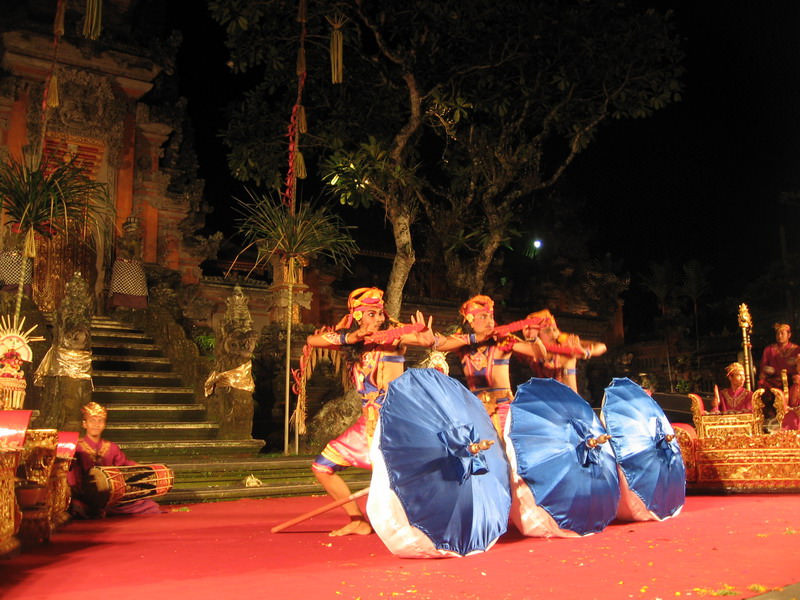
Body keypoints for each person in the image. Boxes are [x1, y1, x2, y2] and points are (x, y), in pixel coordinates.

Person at [308, 287, 433, 536]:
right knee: (322, 467)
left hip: (395, 419)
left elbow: (422, 341)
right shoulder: (354, 341)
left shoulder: (394, 336)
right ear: (358, 317)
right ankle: (357, 519)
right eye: (371, 314)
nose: (378, 319)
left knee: (400, 473)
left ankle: (422, 520)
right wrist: (353, 337)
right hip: (368, 420)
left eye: (379, 314)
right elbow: (313, 341)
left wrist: (425, 337)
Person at [434, 295, 547, 434]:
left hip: (503, 410)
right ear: (471, 322)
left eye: (491, 317)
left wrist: (533, 337)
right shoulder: (464, 344)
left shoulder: (503, 340)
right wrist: (475, 338)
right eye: (483, 317)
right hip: (476, 411)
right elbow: (440, 345)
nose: (489, 321)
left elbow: (539, 353)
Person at [68, 402, 161, 518]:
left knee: (149, 505)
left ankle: (101, 510)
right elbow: (71, 477)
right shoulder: (77, 447)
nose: (96, 425)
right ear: (84, 424)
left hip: (110, 497)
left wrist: (143, 468)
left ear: (104, 424)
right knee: (76, 507)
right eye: (92, 420)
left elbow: (125, 465)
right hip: (85, 496)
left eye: (100, 421)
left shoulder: (111, 447)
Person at [521, 309, 607, 394]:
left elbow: (602, 347)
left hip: (569, 398)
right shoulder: (529, 347)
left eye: (554, 329)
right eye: (547, 331)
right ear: (536, 335)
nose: (553, 333)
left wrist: (586, 352)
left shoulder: (565, 342)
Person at [758, 323, 800, 406]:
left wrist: (796, 362)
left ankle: (794, 408)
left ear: (789, 335)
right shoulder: (769, 349)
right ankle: (769, 412)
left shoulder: (797, 349)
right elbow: (763, 367)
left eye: (782, 333)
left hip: (791, 379)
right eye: (777, 333)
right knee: (762, 383)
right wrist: (767, 369)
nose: (779, 336)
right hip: (774, 380)